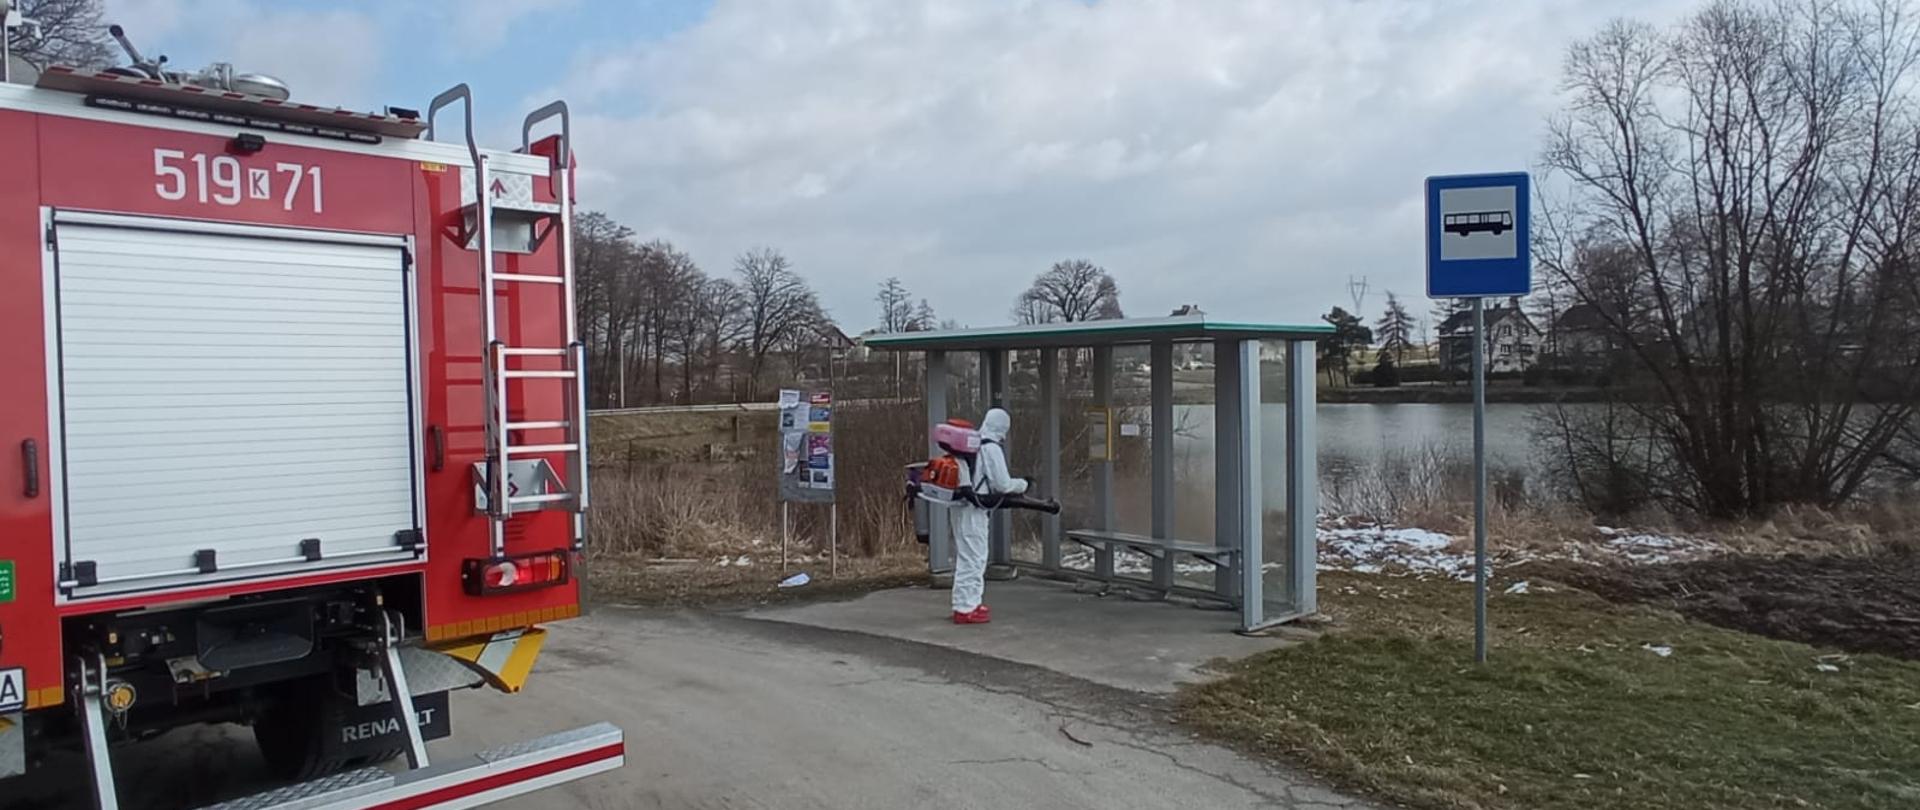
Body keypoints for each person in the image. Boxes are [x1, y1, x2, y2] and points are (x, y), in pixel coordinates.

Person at [951, 407, 1026, 624]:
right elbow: (1002, 484)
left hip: (960, 506)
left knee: (966, 556)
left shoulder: (972, 444)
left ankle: (962, 603)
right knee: (975, 558)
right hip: (975, 509)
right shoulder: (991, 448)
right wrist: (1022, 484)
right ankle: (968, 608)